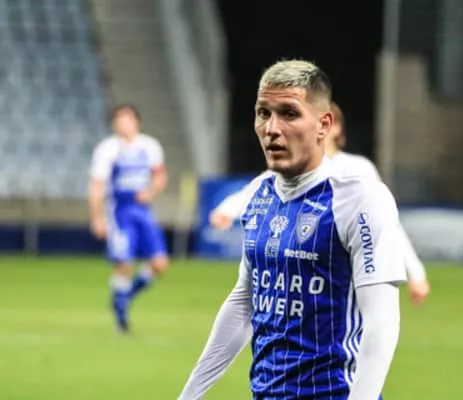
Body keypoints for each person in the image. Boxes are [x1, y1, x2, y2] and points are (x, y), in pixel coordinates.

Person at [178, 60, 406, 400]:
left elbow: (382, 324)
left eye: (289, 113)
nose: (272, 128)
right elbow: (244, 301)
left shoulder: (359, 199)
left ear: (324, 125)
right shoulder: (259, 194)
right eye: (263, 113)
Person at [209, 101, 431, 306]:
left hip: (349, 264)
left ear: (335, 128)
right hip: (305, 267)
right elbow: (258, 188)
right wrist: (227, 210)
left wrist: (416, 274)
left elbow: (387, 224)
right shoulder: (296, 165)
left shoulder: (358, 168)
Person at [88, 104, 169, 334]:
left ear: (137, 122)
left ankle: (123, 297)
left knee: (160, 264)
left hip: (143, 211)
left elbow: (160, 175)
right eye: (119, 120)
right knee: (124, 263)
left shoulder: (150, 146)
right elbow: (97, 185)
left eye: (128, 119)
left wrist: (151, 192)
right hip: (119, 212)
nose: (124, 124)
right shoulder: (108, 149)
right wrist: (97, 218)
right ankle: (121, 322)